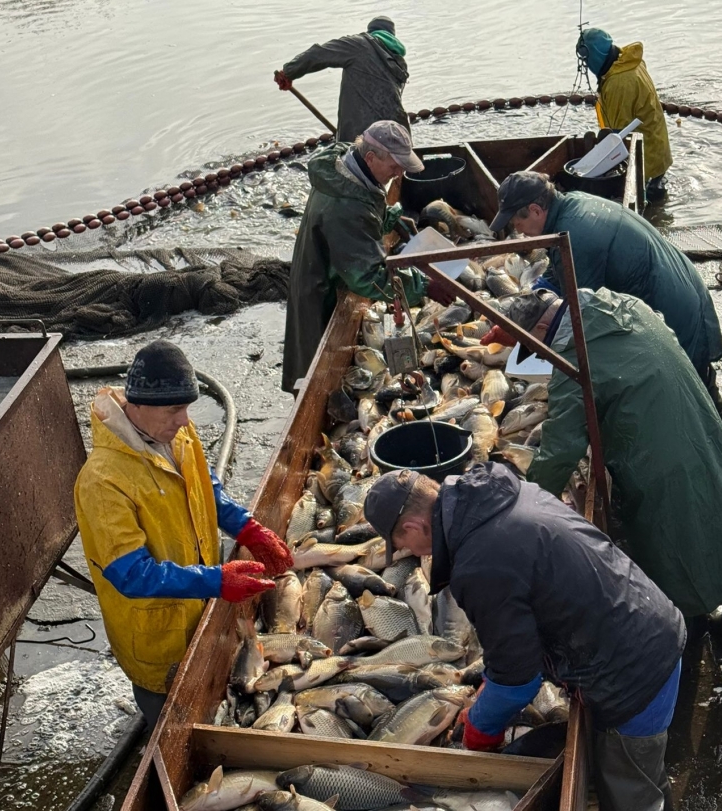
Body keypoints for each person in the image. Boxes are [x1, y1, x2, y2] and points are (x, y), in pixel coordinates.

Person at [364, 464, 686, 811]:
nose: (411, 553)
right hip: (649, 617)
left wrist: (480, 728)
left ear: (414, 526)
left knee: (630, 790)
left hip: (635, 672)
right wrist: (493, 681)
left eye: (401, 544)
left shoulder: (477, 565)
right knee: (645, 772)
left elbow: (518, 680)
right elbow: (524, 629)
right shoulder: (499, 491)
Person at [503, 287, 722, 652]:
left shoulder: (572, 355)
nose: (541, 357)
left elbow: (562, 447)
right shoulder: (623, 304)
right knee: (719, 528)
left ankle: (688, 650)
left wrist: (525, 505)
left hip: (661, 460)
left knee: (673, 549)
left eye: (534, 344)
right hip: (701, 428)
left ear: (544, 326)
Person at [74, 340, 291, 728]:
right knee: (173, 722)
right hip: (157, 638)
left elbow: (205, 488)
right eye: (174, 409)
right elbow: (131, 573)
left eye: (187, 407)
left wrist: (248, 528)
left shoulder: (178, 434)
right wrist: (217, 579)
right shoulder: (102, 481)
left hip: (201, 602)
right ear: (136, 405)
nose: (185, 419)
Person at [488, 170, 722, 447]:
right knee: (701, 393)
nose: (515, 229)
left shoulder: (578, 235)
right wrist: (526, 308)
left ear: (535, 210)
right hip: (681, 293)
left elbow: (584, 319)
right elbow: (562, 274)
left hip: (676, 314)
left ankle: (719, 465)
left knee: (692, 403)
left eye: (515, 220)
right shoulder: (572, 206)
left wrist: (526, 336)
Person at [282, 120, 453, 394]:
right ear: (371, 157)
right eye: (394, 166)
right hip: (320, 290)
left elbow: (365, 204)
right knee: (313, 373)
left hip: (325, 266)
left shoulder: (347, 163)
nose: (398, 174)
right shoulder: (346, 207)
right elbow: (368, 277)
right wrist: (424, 286)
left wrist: (390, 217)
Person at [275, 16, 410, 142]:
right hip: (397, 134)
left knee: (354, 161)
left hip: (361, 136)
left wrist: (288, 72)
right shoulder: (399, 63)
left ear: (371, 31)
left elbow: (319, 54)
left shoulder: (359, 44)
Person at [576, 27, 672, 202]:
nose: (586, 65)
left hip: (646, 161)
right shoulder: (628, 62)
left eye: (586, 58)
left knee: (643, 202)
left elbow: (619, 139)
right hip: (658, 152)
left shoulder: (618, 83)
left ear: (595, 54)